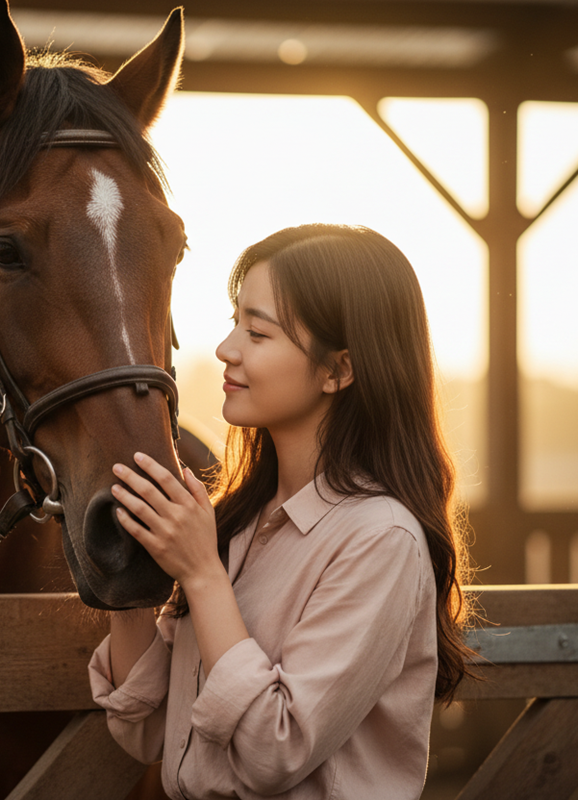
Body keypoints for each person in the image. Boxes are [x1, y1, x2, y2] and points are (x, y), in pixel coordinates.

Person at [88, 224, 475, 800]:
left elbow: (275, 751)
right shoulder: (238, 522)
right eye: (234, 322)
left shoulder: (382, 540)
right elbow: (146, 730)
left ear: (338, 370)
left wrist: (201, 573)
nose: (226, 349)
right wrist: (128, 560)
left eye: (258, 332)